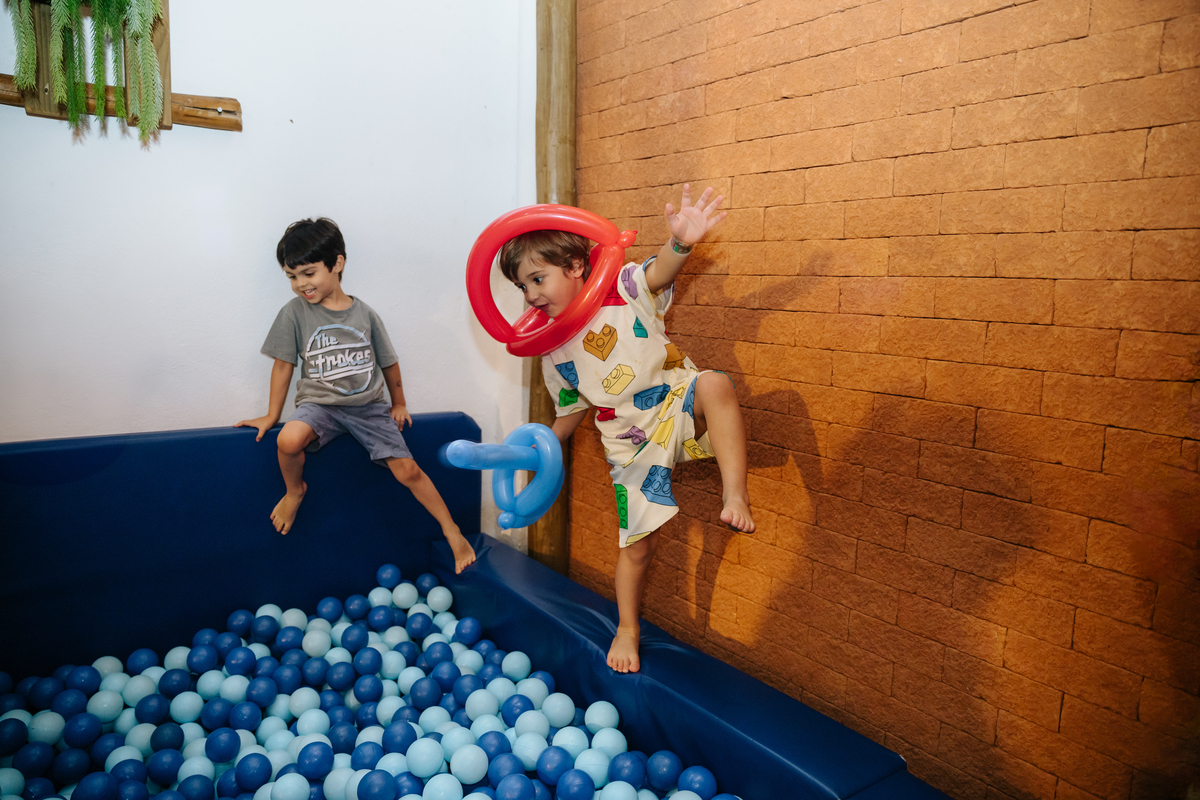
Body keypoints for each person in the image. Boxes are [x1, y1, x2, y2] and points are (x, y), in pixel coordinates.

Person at [500, 185, 755, 672]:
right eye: (522, 287)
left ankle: (735, 494)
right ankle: (627, 628)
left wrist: (681, 242)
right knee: (638, 546)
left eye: (537, 278)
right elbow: (572, 407)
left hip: (673, 404)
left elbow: (660, 271)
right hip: (628, 442)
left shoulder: (621, 288)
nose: (531, 295)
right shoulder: (552, 346)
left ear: (575, 266)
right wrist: (543, 447)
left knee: (716, 384)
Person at [235, 217, 476, 574]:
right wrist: (272, 415)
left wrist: (399, 403)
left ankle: (451, 530)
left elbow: (388, 362)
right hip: (320, 406)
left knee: (408, 470)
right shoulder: (294, 313)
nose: (301, 284)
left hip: (368, 408)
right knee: (287, 440)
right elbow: (283, 366)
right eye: (292, 276)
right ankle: (294, 491)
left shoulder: (365, 314)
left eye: (308, 273)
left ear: (337, 263)